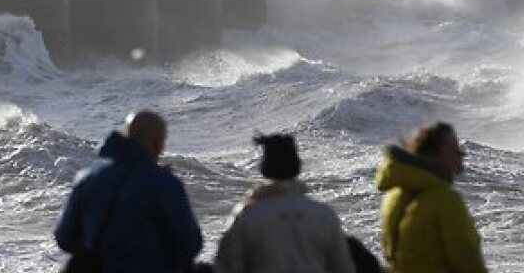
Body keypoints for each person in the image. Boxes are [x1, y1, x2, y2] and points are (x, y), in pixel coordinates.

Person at [55, 110, 203, 273]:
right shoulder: (164, 183)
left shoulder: (87, 179)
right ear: (158, 143)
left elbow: (65, 239)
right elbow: (189, 245)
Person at [214, 134, 355, 273]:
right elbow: (343, 267)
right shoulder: (323, 214)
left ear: (264, 167)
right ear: (297, 165)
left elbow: (227, 265)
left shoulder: (248, 214)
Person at [375, 121, 487, 273]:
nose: (462, 154)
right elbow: (468, 260)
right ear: (439, 153)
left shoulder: (392, 197)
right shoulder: (445, 200)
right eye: (455, 149)